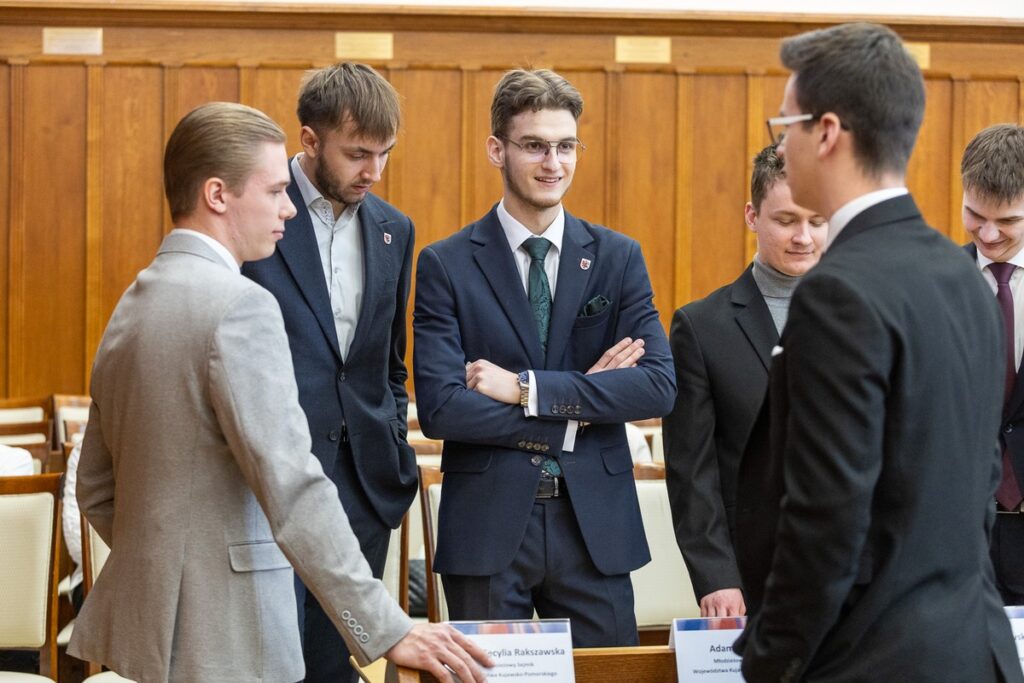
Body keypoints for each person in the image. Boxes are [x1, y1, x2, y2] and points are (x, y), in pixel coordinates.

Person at [68, 102, 490, 683]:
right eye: (273, 191)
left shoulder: (134, 302)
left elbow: (94, 486)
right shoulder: (241, 305)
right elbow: (294, 486)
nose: (290, 207)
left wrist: (177, 570)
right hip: (231, 638)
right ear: (218, 195)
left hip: (153, 635)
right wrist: (388, 627)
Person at [733, 23, 1022, 682]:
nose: (784, 141)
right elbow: (979, 481)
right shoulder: (961, 276)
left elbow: (825, 514)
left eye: (788, 124)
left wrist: (771, 659)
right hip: (971, 648)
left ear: (827, 131)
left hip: (870, 658)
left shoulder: (839, 290)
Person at [412, 68, 676, 647]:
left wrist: (527, 388)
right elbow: (442, 409)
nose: (552, 162)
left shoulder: (617, 258)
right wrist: (579, 411)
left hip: (595, 529)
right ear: (497, 149)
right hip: (486, 526)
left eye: (565, 146)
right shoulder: (446, 265)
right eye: (534, 145)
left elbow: (656, 386)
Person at [241, 62, 417, 683]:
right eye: (358, 154)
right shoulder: (254, 215)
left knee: (337, 668)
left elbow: (389, 366)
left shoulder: (396, 230)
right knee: (273, 664)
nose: (373, 171)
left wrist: (393, 446)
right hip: (270, 491)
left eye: (385, 154)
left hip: (366, 490)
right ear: (309, 141)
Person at [663, 143, 826, 618]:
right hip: (754, 572)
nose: (803, 237)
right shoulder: (701, 327)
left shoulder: (870, 316)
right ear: (752, 216)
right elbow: (692, 471)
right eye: (786, 220)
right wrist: (717, 576)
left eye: (817, 221)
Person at [961, 123, 1024, 606]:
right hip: (958, 534)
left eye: (1007, 221)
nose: (987, 234)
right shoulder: (933, 282)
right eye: (974, 215)